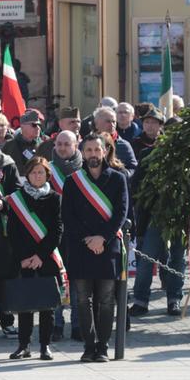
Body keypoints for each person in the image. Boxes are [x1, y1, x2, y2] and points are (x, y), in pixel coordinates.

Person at [62, 133, 129, 362]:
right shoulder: (73, 181)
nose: (93, 154)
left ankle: (103, 346)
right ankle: (89, 346)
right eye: (89, 150)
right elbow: (68, 216)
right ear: (82, 153)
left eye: (97, 149)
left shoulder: (118, 178)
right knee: (82, 299)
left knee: (107, 299)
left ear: (105, 151)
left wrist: (102, 238)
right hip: (81, 247)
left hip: (108, 246)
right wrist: (89, 239)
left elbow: (121, 213)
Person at [2, 157, 63, 360]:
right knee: (25, 304)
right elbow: (12, 231)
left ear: (47, 175)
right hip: (24, 259)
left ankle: (45, 345)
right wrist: (24, 257)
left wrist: (40, 255)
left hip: (46, 258)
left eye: (41, 172)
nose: (37, 176)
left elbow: (57, 230)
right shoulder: (17, 199)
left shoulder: (55, 198)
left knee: (47, 305)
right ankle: (23, 345)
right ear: (27, 175)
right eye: (34, 172)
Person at [128, 109, 186, 317]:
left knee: (177, 259)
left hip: (181, 216)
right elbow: (136, 187)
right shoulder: (148, 154)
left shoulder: (189, 159)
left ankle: (174, 299)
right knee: (147, 258)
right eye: (172, 132)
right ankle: (140, 300)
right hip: (154, 215)